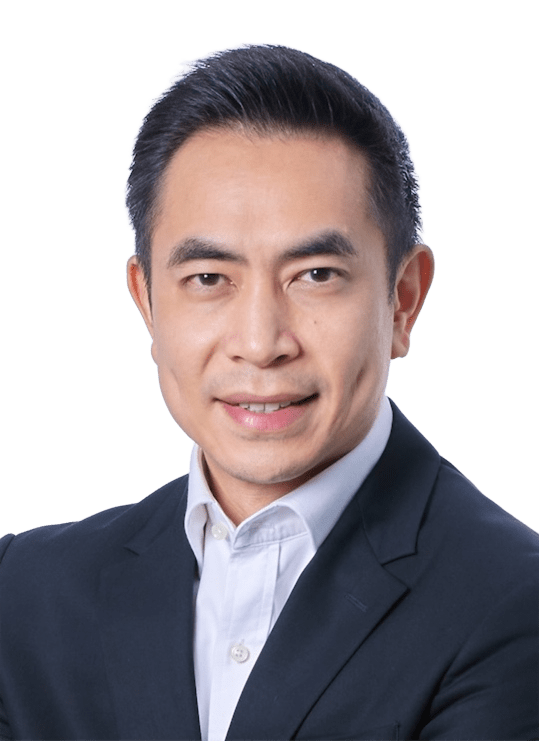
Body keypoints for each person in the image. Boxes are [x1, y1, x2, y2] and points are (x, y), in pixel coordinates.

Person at [0, 42, 537, 741]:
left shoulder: (512, 602)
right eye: (208, 279)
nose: (260, 343)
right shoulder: (24, 593)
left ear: (403, 299)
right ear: (147, 303)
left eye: (315, 275)